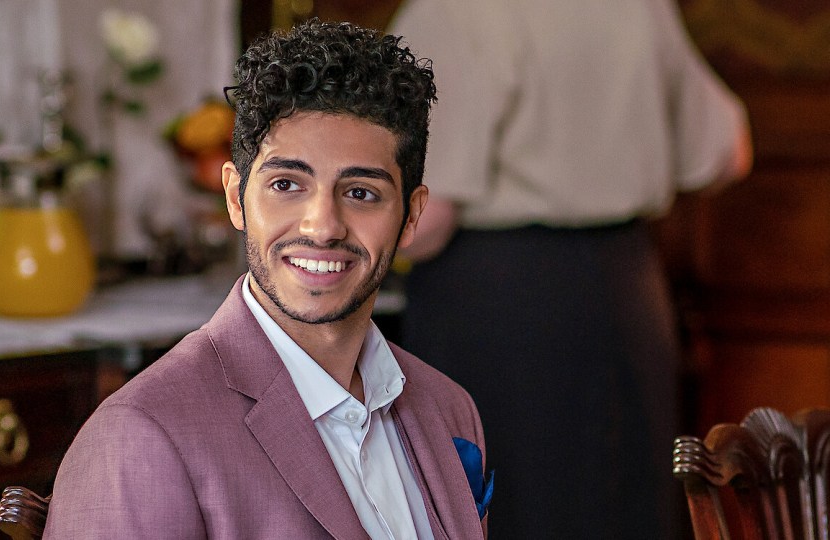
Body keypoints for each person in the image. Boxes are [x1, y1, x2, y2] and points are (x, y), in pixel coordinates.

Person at [44, 20, 492, 539]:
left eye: (361, 193)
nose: (322, 226)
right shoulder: (141, 435)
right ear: (235, 197)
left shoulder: (450, 410)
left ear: (411, 216)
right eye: (286, 185)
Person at [389, 0, 753, 538]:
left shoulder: (454, 10)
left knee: (506, 512)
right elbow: (729, 153)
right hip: (631, 289)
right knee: (623, 508)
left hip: (497, 304)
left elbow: (431, 217)